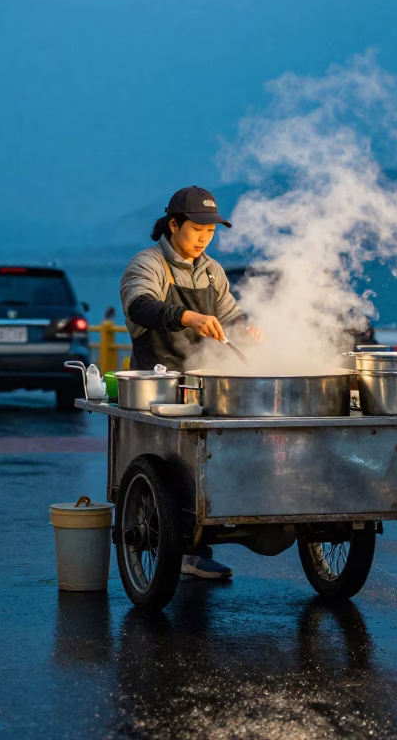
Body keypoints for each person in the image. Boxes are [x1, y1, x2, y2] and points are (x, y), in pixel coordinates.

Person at [120, 186, 260, 579]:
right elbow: (139, 305)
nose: (203, 238)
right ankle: (180, 549)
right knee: (173, 474)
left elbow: (230, 317)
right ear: (173, 224)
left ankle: (200, 545)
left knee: (212, 467)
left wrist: (247, 330)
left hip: (205, 385)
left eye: (211, 232)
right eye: (197, 229)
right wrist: (188, 317)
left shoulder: (212, 271)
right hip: (160, 387)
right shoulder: (148, 264)